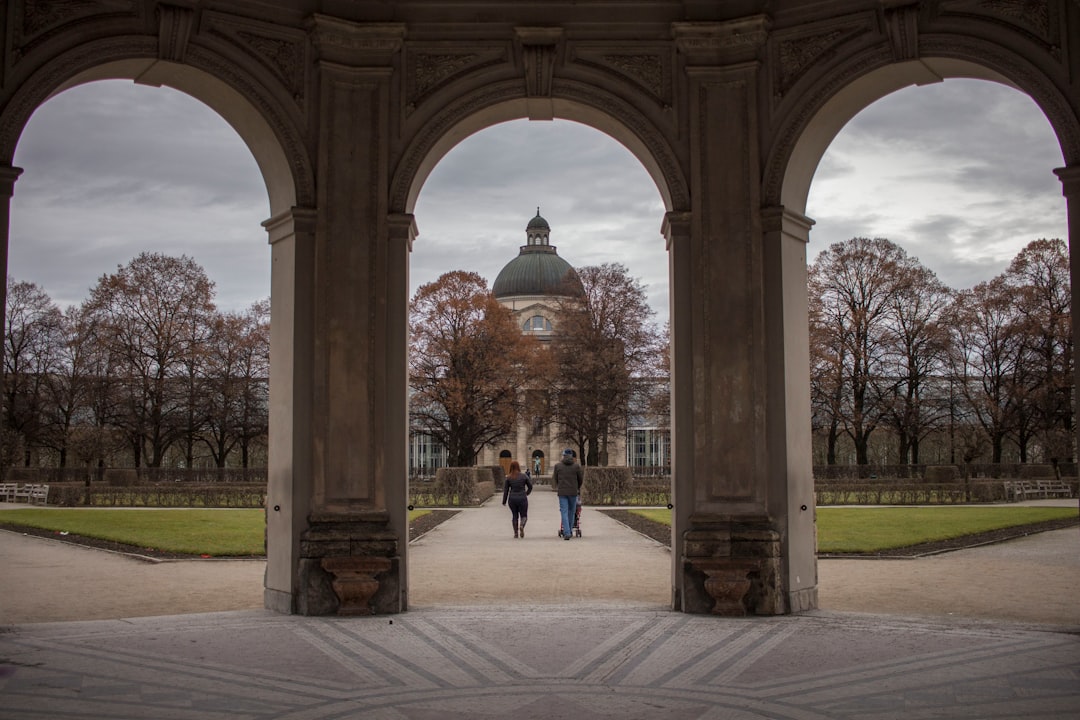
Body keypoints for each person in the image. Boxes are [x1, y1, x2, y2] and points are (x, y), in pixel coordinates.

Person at [552, 448, 583, 540]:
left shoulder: (558, 466)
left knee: (564, 512)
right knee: (572, 511)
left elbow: (555, 479)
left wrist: (559, 486)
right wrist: (576, 487)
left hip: (562, 492)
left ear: (564, 455)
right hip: (573, 492)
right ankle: (569, 531)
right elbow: (580, 480)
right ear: (572, 456)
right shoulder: (576, 466)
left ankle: (567, 532)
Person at [501, 460, 533, 538]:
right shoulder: (524, 476)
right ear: (518, 467)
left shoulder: (508, 477)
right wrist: (527, 493)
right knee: (524, 515)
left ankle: (516, 533)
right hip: (522, 497)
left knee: (514, 516)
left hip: (512, 499)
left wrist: (504, 501)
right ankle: (521, 525)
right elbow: (530, 486)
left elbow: (506, 491)